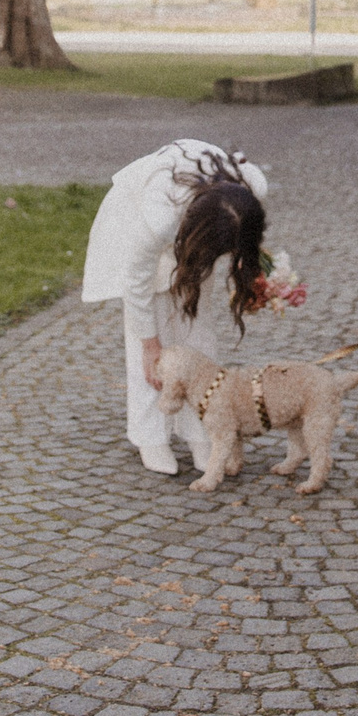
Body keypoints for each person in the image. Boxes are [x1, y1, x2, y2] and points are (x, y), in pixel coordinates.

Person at [82, 139, 272, 473]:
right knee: (152, 345)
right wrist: (149, 344)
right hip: (141, 222)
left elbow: (245, 239)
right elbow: (135, 282)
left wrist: (251, 273)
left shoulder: (251, 190)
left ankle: (200, 431)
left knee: (199, 336)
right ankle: (151, 437)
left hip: (200, 227)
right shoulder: (159, 216)